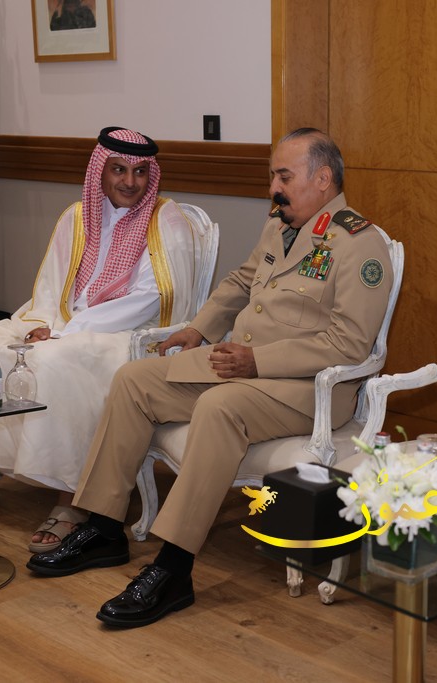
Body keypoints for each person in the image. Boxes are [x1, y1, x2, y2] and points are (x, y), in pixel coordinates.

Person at [26, 128, 393, 629]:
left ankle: (174, 568)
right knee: (134, 380)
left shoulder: (359, 244)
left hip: (308, 388)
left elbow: (349, 345)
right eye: (273, 176)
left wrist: (256, 362)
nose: (273, 188)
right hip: (240, 364)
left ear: (323, 179)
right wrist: (199, 329)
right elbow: (242, 280)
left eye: (284, 177)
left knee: (219, 408)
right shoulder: (280, 223)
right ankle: (106, 528)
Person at [0, 127, 206, 554]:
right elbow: (51, 285)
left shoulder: (167, 220)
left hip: (126, 336)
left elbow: (155, 298)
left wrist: (65, 332)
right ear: (99, 171)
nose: (130, 181)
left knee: (54, 361)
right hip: (62, 321)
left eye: (140, 172)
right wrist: (43, 324)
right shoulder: (76, 216)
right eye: (119, 170)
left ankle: (74, 497)